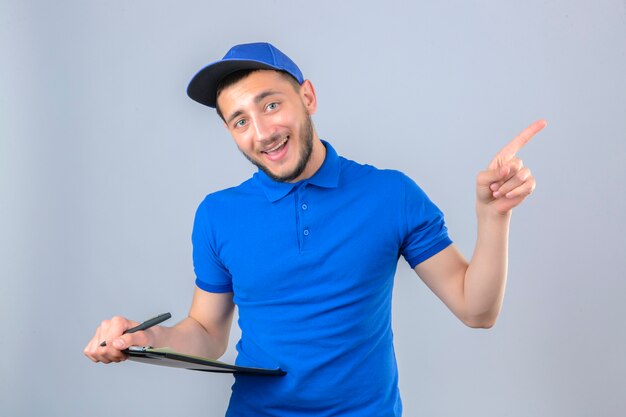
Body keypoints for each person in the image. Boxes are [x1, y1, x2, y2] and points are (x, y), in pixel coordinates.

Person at [84, 42, 546, 416]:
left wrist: (494, 215)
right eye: (240, 120)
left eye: (271, 104)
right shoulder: (217, 214)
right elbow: (206, 332)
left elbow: (476, 309)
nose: (262, 132)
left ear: (308, 97)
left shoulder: (391, 194)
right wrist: (145, 340)